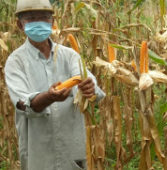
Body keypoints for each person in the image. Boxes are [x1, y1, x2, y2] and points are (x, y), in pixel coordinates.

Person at [4, 0, 105, 169]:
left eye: (44, 18)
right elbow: (23, 104)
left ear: (52, 22)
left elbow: (92, 88)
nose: (38, 23)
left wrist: (90, 88)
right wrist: (49, 97)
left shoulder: (70, 56)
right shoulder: (15, 62)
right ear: (19, 25)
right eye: (31, 18)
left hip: (72, 151)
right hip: (38, 154)